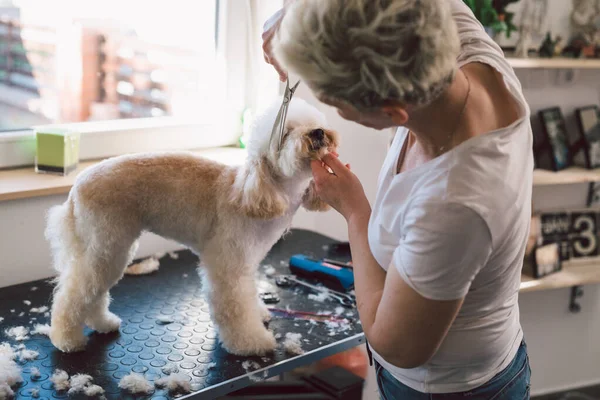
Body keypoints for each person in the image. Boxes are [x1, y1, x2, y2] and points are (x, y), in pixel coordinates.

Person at [263, 0, 533, 399]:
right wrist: (297, 15)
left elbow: (397, 345)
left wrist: (355, 210)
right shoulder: (454, 37)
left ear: (391, 111)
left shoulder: (454, 203)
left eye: (337, 105)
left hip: (451, 390)